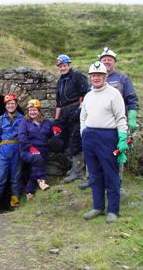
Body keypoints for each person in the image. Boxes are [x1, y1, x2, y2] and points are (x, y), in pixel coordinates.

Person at [79, 47, 139, 190]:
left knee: (116, 153)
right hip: (94, 127)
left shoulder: (122, 78)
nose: (106, 61)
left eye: (109, 59)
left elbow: (131, 98)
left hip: (115, 125)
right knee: (94, 155)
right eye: (104, 59)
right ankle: (92, 179)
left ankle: (116, 182)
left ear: (114, 62)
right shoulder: (94, 81)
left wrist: (132, 116)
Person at [80, 61, 128, 223]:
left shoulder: (114, 94)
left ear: (105, 76)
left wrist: (122, 138)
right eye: (93, 75)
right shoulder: (88, 95)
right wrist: (83, 132)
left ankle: (113, 210)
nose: (96, 78)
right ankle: (98, 206)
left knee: (111, 173)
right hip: (89, 137)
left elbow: (121, 118)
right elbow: (83, 117)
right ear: (90, 77)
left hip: (107, 136)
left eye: (99, 75)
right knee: (94, 173)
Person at [54, 54, 89, 184]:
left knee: (76, 140)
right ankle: (75, 167)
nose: (62, 68)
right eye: (60, 66)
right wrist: (56, 120)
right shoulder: (60, 81)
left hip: (77, 110)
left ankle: (78, 173)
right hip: (65, 113)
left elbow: (86, 93)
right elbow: (59, 103)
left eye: (64, 65)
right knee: (65, 140)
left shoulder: (77, 76)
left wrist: (80, 109)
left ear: (69, 65)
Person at [0, 94, 23, 211]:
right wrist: (4, 145)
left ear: (16, 105)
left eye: (12, 103)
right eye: (8, 104)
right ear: (5, 105)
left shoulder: (22, 118)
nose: (11, 105)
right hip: (4, 149)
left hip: (17, 149)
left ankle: (15, 202)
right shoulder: (0, 119)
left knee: (16, 176)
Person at [18, 99, 60, 200]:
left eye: (34, 110)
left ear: (39, 110)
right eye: (30, 110)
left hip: (43, 151)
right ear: (28, 111)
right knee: (37, 159)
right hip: (27, 151)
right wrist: (30, 147)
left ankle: (29, 192)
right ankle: (41, 180)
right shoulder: (24, 122)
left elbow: (50, 134)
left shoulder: (46, 123)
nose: (32, 112)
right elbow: (22, 137)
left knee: (36, 168)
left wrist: (55, 131)